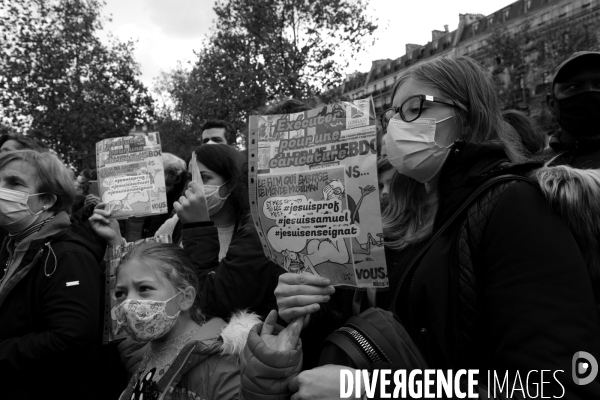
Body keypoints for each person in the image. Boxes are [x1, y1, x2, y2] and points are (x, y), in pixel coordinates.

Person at [263, 56, 600, 399]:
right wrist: (308, 310)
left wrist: (371, 390)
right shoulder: (391, 220)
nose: (394, 125)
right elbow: (371, 338)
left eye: (413, 108)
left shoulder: (516, 207)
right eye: (391, 115)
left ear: (467, 117)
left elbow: (558, 385)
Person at [81, 229, 258, 399]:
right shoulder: (148, 352)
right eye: (121, 293)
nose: (128, 303)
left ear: (185, 298)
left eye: (144, 288)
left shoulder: (220, 367)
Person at [0, 150, 103, 399]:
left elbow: (71, 337)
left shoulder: (68, 256)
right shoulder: (14, 246)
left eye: (13, 183)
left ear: (46, 200)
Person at [175, 144, 284, 319]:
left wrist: (198, 226)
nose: (193, 186)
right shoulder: (176, 222)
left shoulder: (256, 232)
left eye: (204, 177)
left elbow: (215, 301)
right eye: (191, 178)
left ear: (232, 183)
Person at [546, 51, 600, 168]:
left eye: (599, 85)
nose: (590, 92)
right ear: (551, 103)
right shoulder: (535, 171)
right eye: (574, 87)